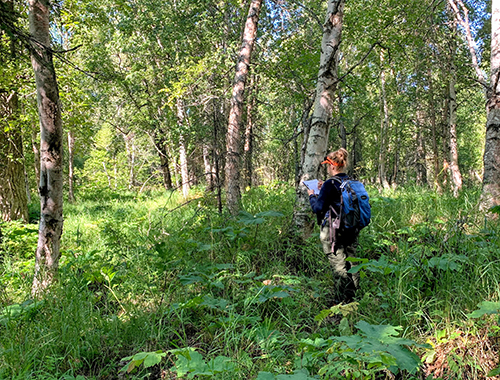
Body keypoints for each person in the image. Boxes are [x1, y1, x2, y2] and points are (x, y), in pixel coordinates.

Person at [307, 148, 359, 304]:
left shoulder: (330, 183)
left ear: (333, 166)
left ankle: (341, 301)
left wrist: (312, 196)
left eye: (328, 166)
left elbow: (317, 208)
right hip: (351, 227)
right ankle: (353, 296)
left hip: (333, 229)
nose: (327, 169)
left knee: (338, 263)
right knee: (352, 260)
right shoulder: (351, 182)